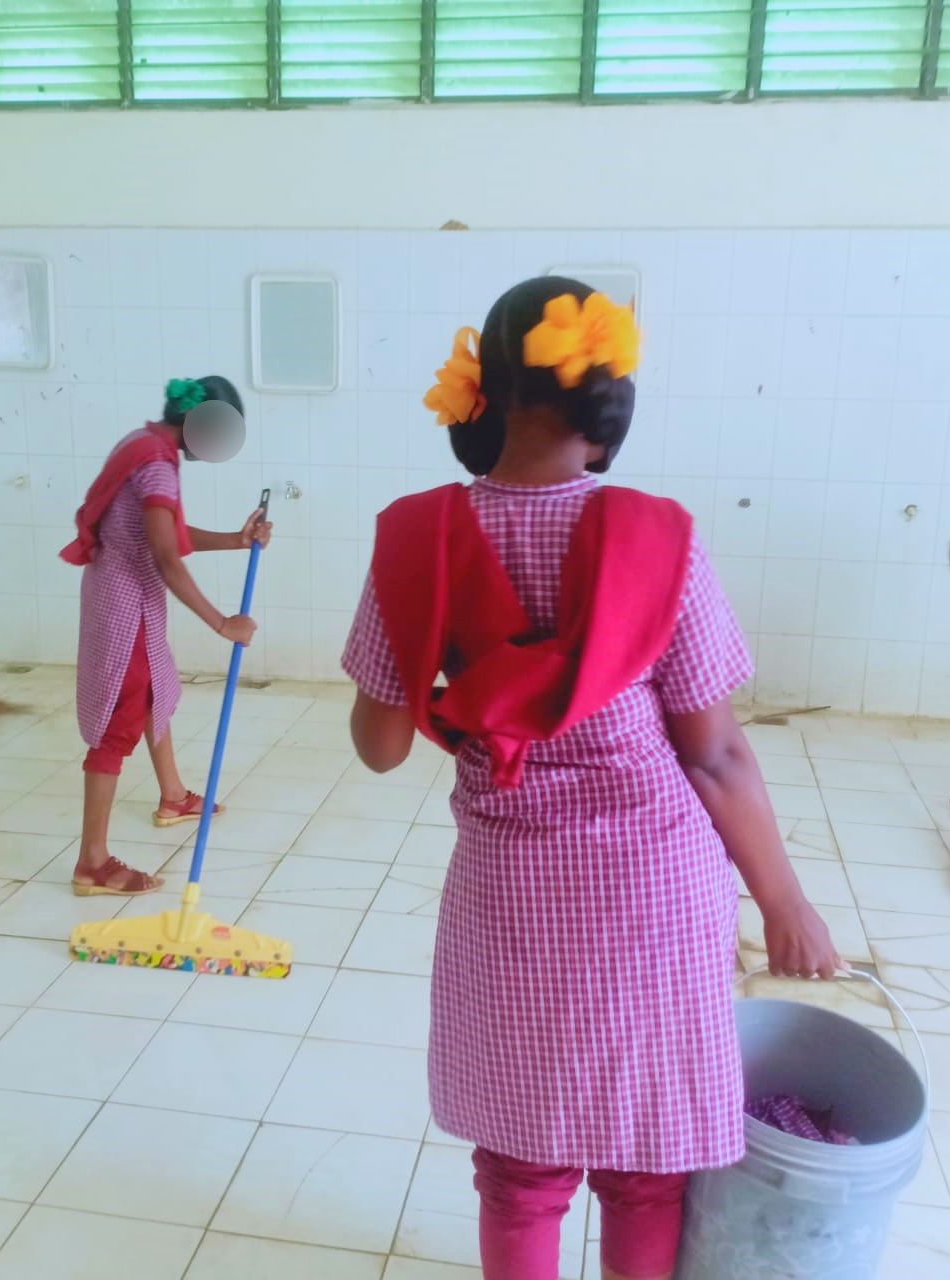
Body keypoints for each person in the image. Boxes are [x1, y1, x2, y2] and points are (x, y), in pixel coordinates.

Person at [341, 278, 839, 1280]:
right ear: (606, 408)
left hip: (509, 898)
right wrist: (784, 902)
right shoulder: (659, 536)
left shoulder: (414, 535)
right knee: (645, 1166)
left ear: (481, 396)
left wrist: (421, 652)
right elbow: (713, 751)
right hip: (653, 890)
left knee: (520, 1168)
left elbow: (381, 743)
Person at [61, 376, 270, 897]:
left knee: (156, 692)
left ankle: (173, 795)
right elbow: (165, 555)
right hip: (125, 607)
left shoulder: (144, 444)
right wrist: (223, 623)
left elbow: (165, 533)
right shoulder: (156, 464)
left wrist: (237, 541)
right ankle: (92, 862)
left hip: (128, 597)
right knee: (119, 720)